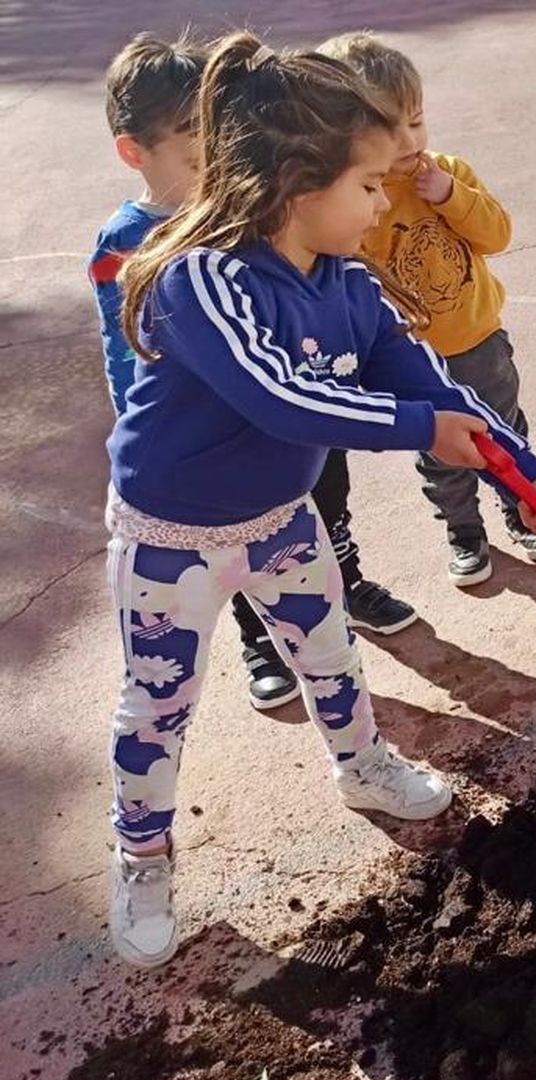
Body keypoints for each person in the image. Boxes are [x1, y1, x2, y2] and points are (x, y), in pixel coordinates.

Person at [104, 32, 536, 968]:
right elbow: (283, 398)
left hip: (283, 522)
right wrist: (420, 430)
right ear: (297, 184)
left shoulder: (349, 282)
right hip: (174, 541)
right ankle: (143, 850)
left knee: (332, 656)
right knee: (157, 706)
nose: (381, 201)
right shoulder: (204, 277)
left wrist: (523, 470)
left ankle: (361, 766)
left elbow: (435, 382)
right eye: (367, 186)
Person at [92, 35, 419, 715]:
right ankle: (260, 646)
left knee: (324, 517)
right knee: (166, 683)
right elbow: (125, 345)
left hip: (290, 443)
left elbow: (341, 365)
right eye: (194, 155)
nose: (218, 170)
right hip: (196, 483)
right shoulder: (168, 257)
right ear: (137, 152)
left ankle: (346, 586)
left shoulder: (286, 247)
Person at [321, 32, 536, 587]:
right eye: (391, 128)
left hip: (478, 340)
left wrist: (451, 195)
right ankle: (463, 532)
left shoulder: (448, 171)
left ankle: (517, 509)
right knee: (443, 456)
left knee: (503, 430)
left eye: (417, 121)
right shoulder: (360, 198)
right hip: (415, 357)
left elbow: (498, 233)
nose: (410, 140)